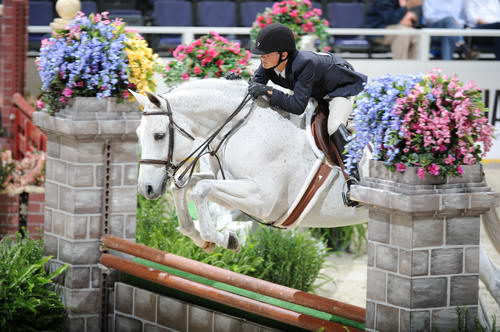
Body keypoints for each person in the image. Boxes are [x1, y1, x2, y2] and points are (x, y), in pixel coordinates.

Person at [247, 23, 367, 147]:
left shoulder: (305, 63)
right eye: (261, 55)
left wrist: (269, 91)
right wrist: (238, 83)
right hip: (316, 91)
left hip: (341, 89)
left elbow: (297, 107)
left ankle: (352, 164)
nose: (262, 59)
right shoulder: (268, 62)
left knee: (334, 126)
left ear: (283, 55)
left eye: (265, 55)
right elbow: (254, 86)